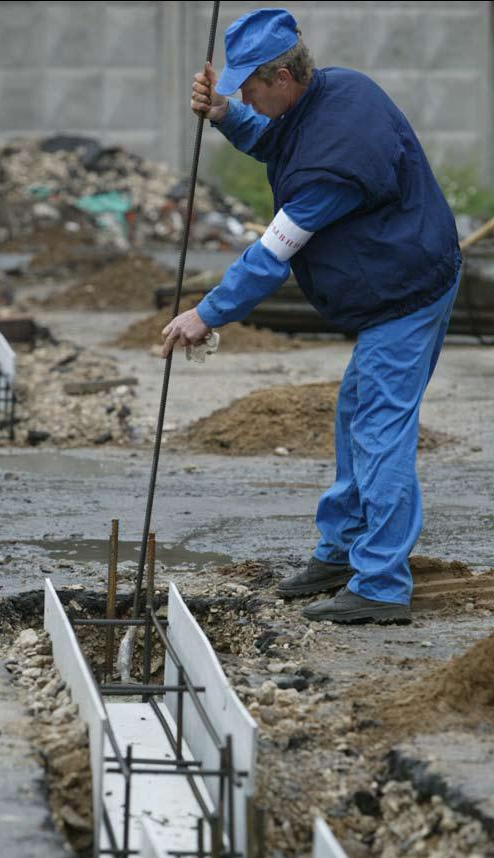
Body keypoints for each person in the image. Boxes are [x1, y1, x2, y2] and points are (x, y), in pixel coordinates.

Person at [161, 8, 462, 624]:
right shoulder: (334, 91)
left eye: (247, 85)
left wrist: (209, 313)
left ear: (281, 76)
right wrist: (226, 117)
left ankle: (379, 586)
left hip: (404, 292)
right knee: (358, 411)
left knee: (381, 431)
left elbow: (272, 253)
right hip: (397, 281)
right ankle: (341, 551)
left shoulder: (333, 165)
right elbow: (276, 138)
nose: (241, 92)